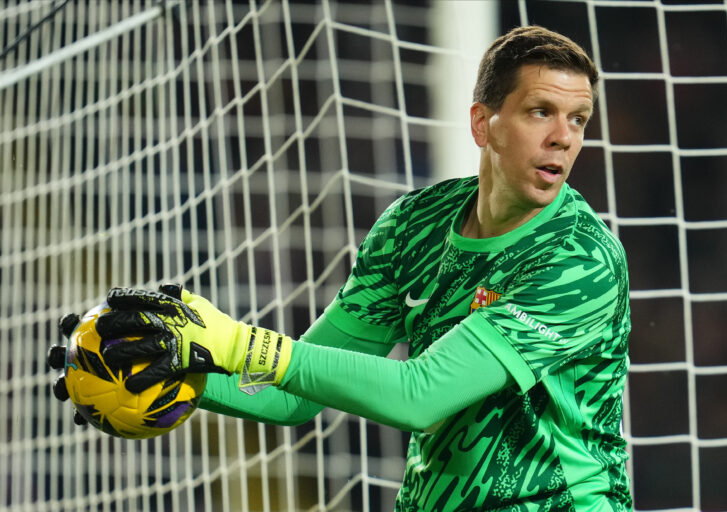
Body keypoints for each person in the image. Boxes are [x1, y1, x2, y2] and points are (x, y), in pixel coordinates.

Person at [51, 26, 633, 510]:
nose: (563, 138)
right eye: (541, 112)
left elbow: (419, 396)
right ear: (483, 124)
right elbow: (291, 398)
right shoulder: (414, 226)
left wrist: (235, 342)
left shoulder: (577, 259)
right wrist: (172, 366)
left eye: (578, 119)